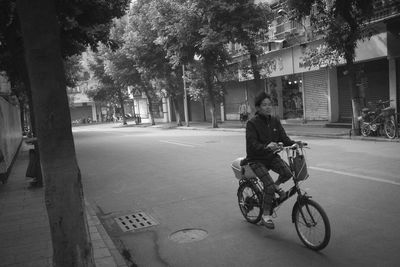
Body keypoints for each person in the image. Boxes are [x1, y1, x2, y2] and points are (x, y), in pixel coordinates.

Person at [246, 91, 296, 229]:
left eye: (269, 104)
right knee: (268, 186)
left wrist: (295, 143)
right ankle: (265, 215)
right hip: (256, 159)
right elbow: (252, 145)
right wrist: (266, 146)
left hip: (271, 157)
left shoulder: (274, 121)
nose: (268, 107)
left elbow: (284, 139)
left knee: (287, 173)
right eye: (264, 105)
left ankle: (275, 186)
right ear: (258, 108)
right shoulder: (251, 123)